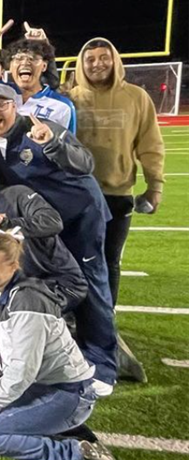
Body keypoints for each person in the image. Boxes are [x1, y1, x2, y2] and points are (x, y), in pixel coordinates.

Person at [0, 82, 119, 394]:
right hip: (35, 220)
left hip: (78, 217)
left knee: (92, 286)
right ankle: (49, 352)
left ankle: (104, 365)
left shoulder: (40, 128)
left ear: (17, 106)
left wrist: (53, 143)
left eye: (1, 104)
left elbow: (85, 164)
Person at [0, 231, 116, 460]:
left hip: (66, 392)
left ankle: (78, 455)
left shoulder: (27, 301)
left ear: (13, 266)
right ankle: (67, 430)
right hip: (38, 384)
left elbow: (23, 371)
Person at [70, 38, 165, 305]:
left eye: (103, 57)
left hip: (117, 191)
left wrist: (155, 185)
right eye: (90, 59)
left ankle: (105, 317)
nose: (97, 64)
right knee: (77, 258)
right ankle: (77, 317)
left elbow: (150, 144)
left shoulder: (136, 97)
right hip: (78, 194)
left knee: (109, 259)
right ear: (81, 64)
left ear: (114, 61)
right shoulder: (71, 98)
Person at [0, 152, 87, 314]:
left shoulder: (17, 194)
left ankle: (59, 325)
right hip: (11, 291)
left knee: (22, 309)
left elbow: (52, 222)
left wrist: (6, 224)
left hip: (55, 284)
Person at [4, 38, 76, 132]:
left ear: (44, 66)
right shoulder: (0, 99)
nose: (25, 63)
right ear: (10, 66)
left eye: (32, 58)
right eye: (19, 58)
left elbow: (69, 145)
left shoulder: (63, 106)